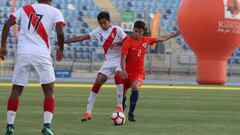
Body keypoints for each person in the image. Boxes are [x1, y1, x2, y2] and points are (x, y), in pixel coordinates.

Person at [0, 0, 65, 134]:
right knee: (49, 91)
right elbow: (60, 32)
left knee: (16, 90)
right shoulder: (55, 12)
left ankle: (9, 127)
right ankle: (47, 127)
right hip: (42, 54)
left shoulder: (25, 9)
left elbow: (7, 24)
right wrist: (61, 49)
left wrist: (3, 46)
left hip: (23, 53)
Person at [58, 11, 128, 121]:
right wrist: (63, 42)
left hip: (120, 59)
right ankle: (88, 112)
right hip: (108, 61)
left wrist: (118, 44)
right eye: (100, 23)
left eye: (104, 22)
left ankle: (120, 106)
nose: (103, 25)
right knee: (98, 81)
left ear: (109, 21)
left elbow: (128, 41)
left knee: (118, 77)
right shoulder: (97, 32)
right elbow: (82, 38)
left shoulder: (117, 30)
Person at [121, 20, 180, 122]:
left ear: (143, 32)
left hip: (138, 73)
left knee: (135, 86)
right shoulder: (127, 42)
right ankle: (123, 105)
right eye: (136, 31)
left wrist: (172, 35)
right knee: (122, 94)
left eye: (140, 32)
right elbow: (122, 58)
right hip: (127, 72)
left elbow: (161, 38)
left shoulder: (146, 40)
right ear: (133, 30)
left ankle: (131, 113)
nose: (138, 34)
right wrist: (123, 70)